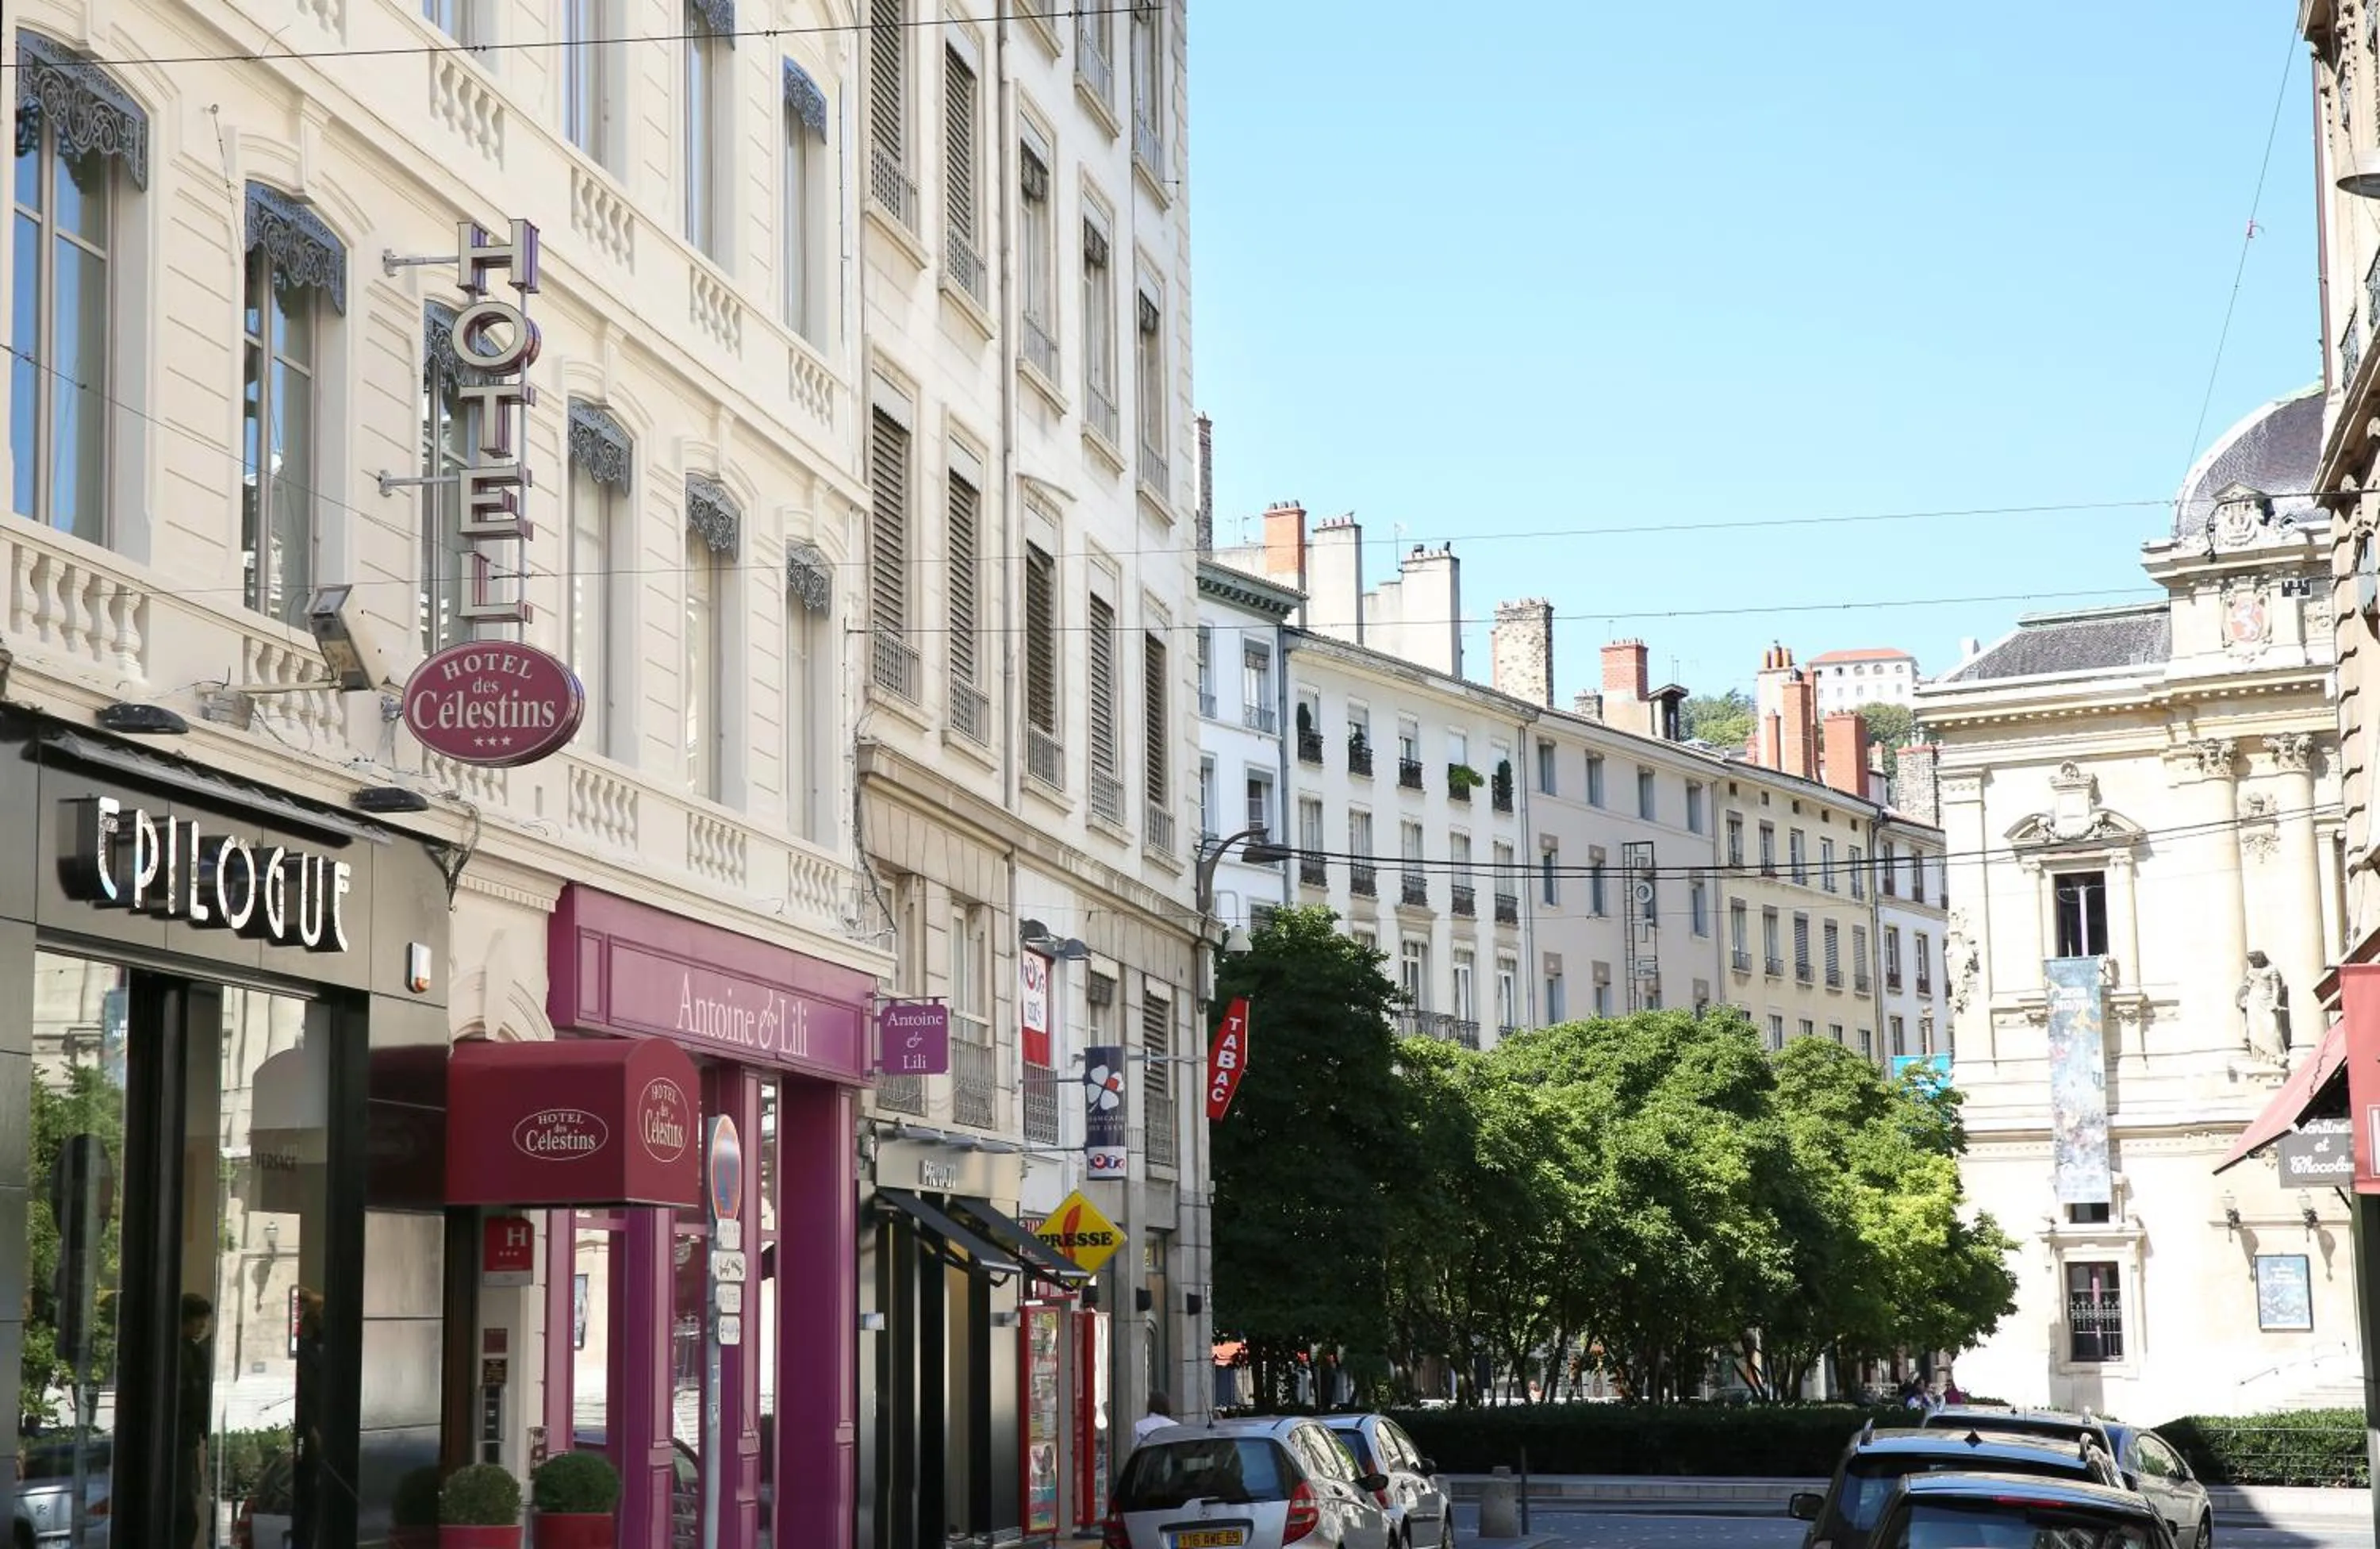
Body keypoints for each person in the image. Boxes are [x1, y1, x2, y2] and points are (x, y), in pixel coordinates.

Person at [175, 1293, 215, 1549]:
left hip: (187, 1439)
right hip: (181, 1440)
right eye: (199, 1319)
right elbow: (192, 1398)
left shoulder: (191, 1350)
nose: (202, 1325)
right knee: (185, 1515)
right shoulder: (183, 1353)